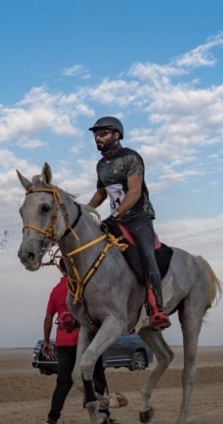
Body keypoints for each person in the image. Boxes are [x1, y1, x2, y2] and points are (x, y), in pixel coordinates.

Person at [86, 116, 170, 331]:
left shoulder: (131, 158)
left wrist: (116, 215)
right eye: (96, 135)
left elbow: (134, 193)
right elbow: (101, 193)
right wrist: (85, 211)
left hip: (138, 217)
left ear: (116, 135)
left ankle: (157, 308)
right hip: (116, 218)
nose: (98, 138)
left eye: (102, 133)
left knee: (146, 255)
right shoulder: (101, 165)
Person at [42, 260, 121, 424]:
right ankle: (105, 417)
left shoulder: (56, 290)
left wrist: (47, 341)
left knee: (63, 383)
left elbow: (48, 318)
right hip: (86, 341)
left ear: (60, 269)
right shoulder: (81, 288)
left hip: (63, 343)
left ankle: (52, 420)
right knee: (97, 377)